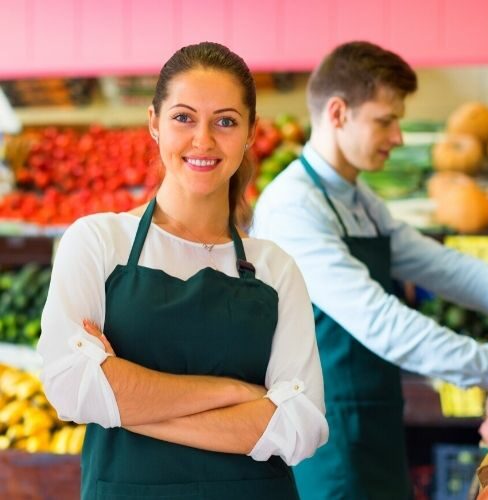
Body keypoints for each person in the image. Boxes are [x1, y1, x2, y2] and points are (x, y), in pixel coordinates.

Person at [38, 42, 328, 500]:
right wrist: (237, 392)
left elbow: (300, 425)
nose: (204, 140)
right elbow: (72, 387)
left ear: (251, 132)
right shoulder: (97, 241)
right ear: (154, 122)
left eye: (226, 121)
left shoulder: (276, 268)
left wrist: (125, 397)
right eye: (183, 117)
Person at [252, 40, 488, 500]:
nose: (398, 137)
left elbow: (441, 265)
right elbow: (381, 322)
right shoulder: (293, 207)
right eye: (386, 121)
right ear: (339, 113)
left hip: (376, 423)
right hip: (328, 437)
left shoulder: (358, 199)